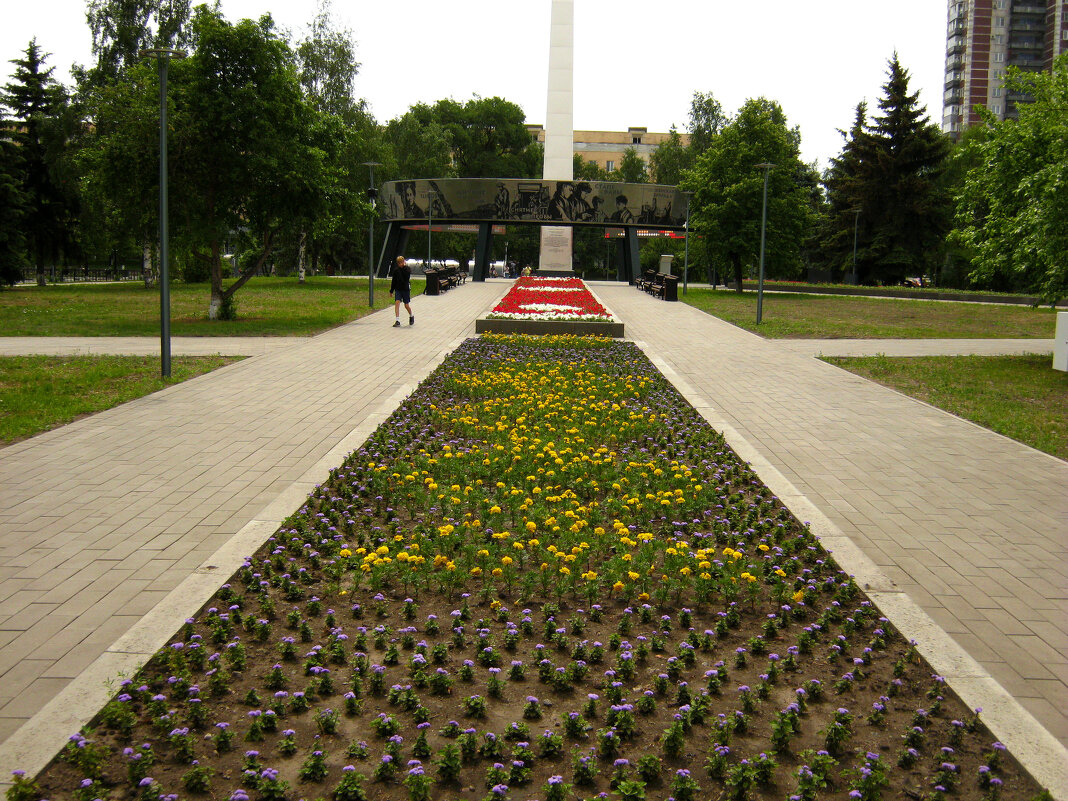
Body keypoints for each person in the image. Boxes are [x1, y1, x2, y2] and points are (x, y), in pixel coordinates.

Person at [390, 255, 414, 327]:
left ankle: (411, 315)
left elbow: (407, 277)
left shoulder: (407, 269)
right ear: (397, 263)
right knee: (397, 302)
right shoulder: (396, 271)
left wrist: (404, 267)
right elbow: (393, 281)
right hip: (398, 289)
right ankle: (397, 320)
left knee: (406, 305)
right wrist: (391, 291)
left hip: (405, 289)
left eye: (402, 262)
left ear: (404, 262)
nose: (401, 264)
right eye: (399, 263)